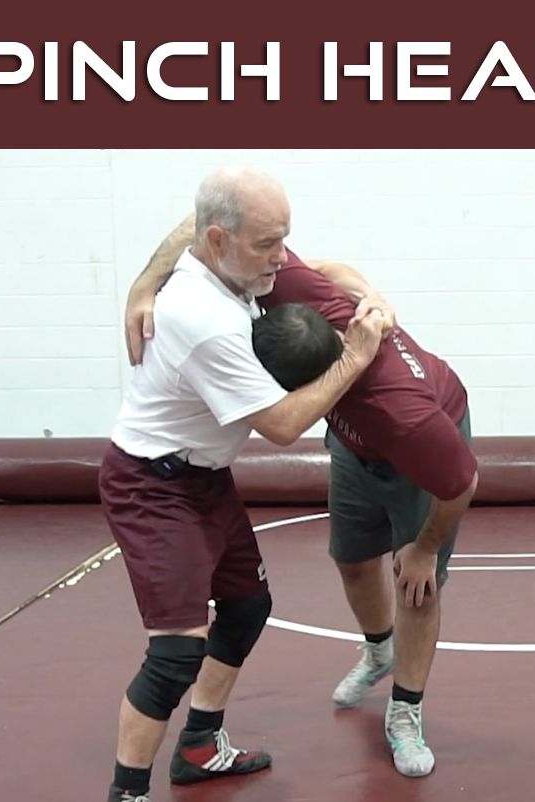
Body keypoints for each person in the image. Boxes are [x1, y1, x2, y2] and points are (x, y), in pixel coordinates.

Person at [125, 222, 479, 780]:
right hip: (355, 442)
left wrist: (425, 548)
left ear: (306, 388)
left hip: (419, 452)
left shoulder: (404, 416)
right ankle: (379, 651)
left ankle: (406, 709)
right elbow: (206, 224)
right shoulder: (293, 292)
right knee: (352, 559)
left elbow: (461, 483)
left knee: (417, 586)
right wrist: (143, 288)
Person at [99, 166, 390, 802]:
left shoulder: (232, 262)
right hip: (152, 486)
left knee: (246, 606)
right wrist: (355, 356)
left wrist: (142, 280)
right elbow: (283, 424)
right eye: (267, 244)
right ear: (219, 240)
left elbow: (192, 222)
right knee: (175, 654)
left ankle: (199, 746)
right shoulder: (203, 319)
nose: (281, 257)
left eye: (283, 238)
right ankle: (127, 793)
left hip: (203, 478)